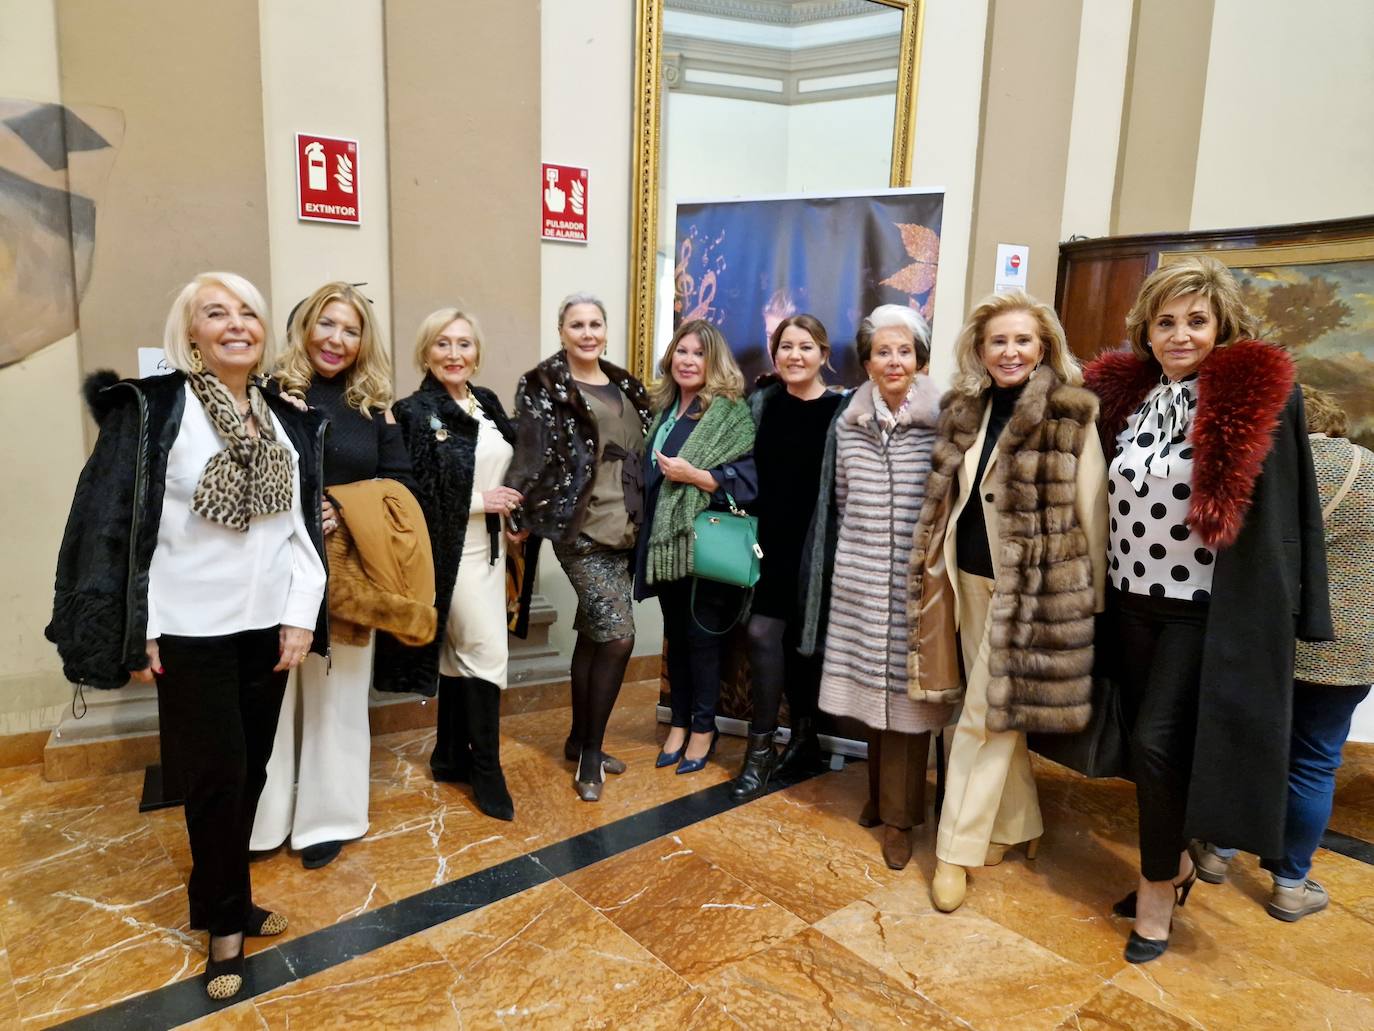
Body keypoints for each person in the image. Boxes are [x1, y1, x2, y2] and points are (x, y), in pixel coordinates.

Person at [46, 272, 327, 1000]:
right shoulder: (154, 410)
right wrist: (137, 628)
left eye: (249, 313)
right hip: (191, 632)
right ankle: (226, 930)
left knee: (252, 774)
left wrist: (301, 614)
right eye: (216, 313)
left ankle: (219, 897)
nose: (236, 324)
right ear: (191, 332)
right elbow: (116, 527)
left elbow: (299, 531)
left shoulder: (283, 417)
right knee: (215, 781)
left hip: (269, 629)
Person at [1084, 256, 1330, 962]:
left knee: (1160, 742)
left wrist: (1299, 609)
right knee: (1143, 746)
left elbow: (1293, 510)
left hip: (1205, 608)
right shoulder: (1127, 401)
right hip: (1129, 600)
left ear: (1221, 327)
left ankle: (1157, 886)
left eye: (1196, 320)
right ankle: (1182, 858)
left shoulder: (1254, 401)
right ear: (1147, 332)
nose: (1180, 334)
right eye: (1166, 321)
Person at [911, 290, 1107, 913]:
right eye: (998, 340)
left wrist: (1088, 596)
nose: (1011, 351)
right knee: (996, 710)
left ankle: (954, 851)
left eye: (1022, 339)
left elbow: (1092, 508)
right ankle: (1017, 823)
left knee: (981, 717)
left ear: (1043, 345)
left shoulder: (1070, 412)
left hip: (1032, 588)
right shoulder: (964, 409)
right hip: (967, 578)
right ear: (981, 349)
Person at [1193, 387, 1373, 921]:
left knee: (1246, 746)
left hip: (1267, 639)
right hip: (1349, 648)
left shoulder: (1267, 470)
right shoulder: (1369, 470)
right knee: (1316, 762)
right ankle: (1290, 885)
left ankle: (1219, 854)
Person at [252, 282, 414, 870]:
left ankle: (329, 817)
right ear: (306, 328)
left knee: (337, 693)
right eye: (327, 325)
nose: (337, 340)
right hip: (272, 564)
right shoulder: (270, 393)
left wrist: (343, 505)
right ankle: (263, 819)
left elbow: (401, 484)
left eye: (350, 330)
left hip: (344, 568)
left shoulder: (374, 407)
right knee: (267, 693)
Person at [811, 306, 952, 870]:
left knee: (911, 702)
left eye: (904, 351)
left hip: (921, 583)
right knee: (872, 695)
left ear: (919, 359)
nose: (894, 361)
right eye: (882, 352)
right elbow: (843, 499)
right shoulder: (849, 420)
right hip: (862, 577)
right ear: (866, 361)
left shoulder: (944, 420)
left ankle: (901, 818)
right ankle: (878, 795)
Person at [506, 293, 652, 801]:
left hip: (628, 526)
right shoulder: (546, 384)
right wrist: (520, 512)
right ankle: (591, 754)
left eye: (595, 324)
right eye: (576, 325)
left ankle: (576, 739)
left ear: (606, 330)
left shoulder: (625, 384)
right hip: (582, 528)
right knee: (618, 638)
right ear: (561, 330)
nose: (587, 333)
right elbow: (531, 449)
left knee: (595, 634)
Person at [387, 307, 529, 821]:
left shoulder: (485, 402)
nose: (454, 354)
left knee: (461, 655)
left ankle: (449, 755)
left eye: (464, 344)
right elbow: (408, 495)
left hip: (493, 553)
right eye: (443, 344)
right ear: (426, 352)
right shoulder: (412, 411)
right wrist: (479, 502)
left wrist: (517, 513)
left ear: (477, 352)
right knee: (486, 654)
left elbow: (515, 464)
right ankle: (487, 771)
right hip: (451, 553)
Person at [731, 314, 846, 802]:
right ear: (774, 354)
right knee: (762, 633)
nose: (794, 355)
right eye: (785, 347)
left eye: (806, 346)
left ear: (823, 355)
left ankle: (804, 741)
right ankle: (760, 751)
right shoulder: (761, 402)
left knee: (807, 645)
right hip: (766, 542)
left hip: (821, 546)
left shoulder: (842, 411)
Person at [635, 319, 757, 776]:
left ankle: (704, 729)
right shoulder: (662, 409)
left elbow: (746, 483)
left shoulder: (728, 414)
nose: (688, 361)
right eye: (681, 351)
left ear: (714, 362)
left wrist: (694, 476)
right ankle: (679, 723)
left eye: (698, 354)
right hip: (663, 544)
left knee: (702, 643)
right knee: (678, 641)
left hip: (703, 546)